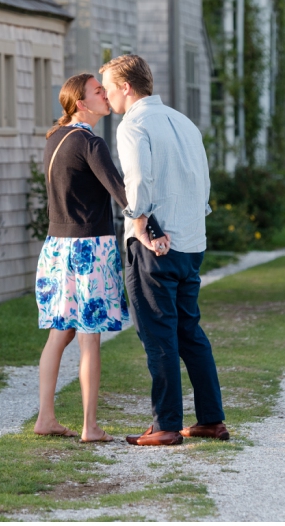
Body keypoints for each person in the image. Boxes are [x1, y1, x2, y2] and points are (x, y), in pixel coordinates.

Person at [99, 54, 229, 447]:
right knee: (189, 331)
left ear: (126, 87)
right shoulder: (184, 122)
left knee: (158, 334)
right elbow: (203, 182)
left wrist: (139, 224)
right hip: (191, 243)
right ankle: (210, 419)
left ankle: (167, 425)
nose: (106, 96)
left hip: (155, 247)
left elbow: (139, 179)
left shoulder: (133, 124)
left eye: (108, 88)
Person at [33, 72, 134, 443]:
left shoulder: (55, 138)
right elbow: (120, 191)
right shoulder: (91, 143)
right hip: (90, 247)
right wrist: (149, 227)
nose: (105, 96)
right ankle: (90, 426)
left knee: (59, 333)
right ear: (81, 103)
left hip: (57, 248)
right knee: (89, 338)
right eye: (98, 92)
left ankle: (46, 417)